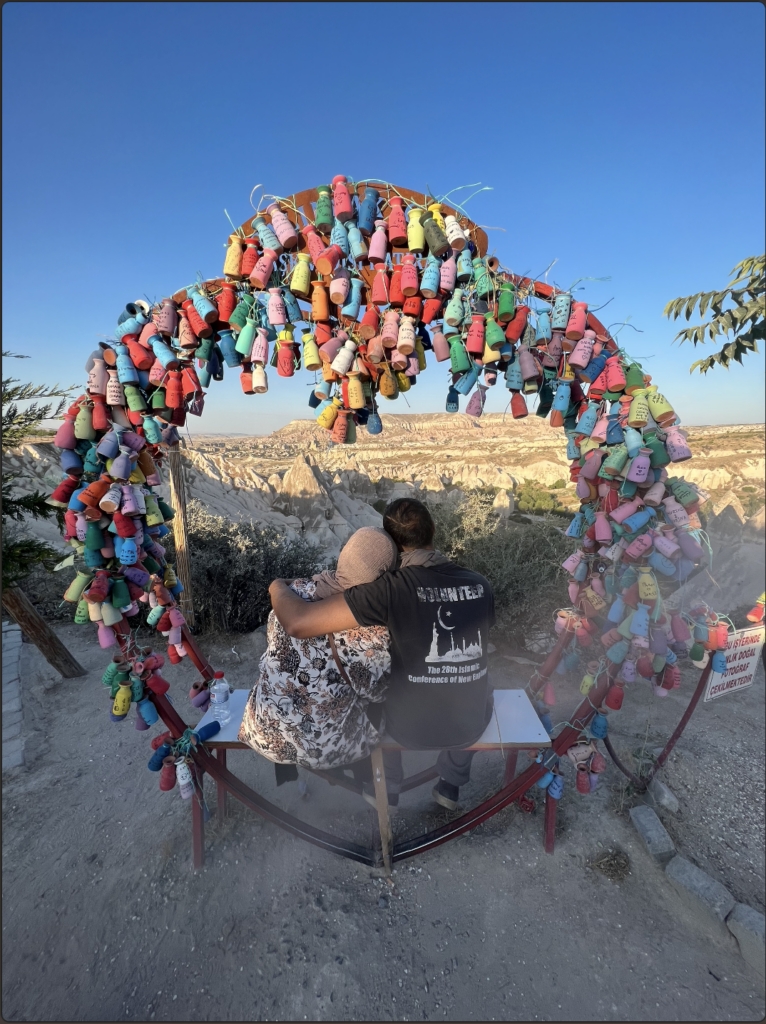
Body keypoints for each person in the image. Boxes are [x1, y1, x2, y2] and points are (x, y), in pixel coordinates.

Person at [269, 498, 495, 810]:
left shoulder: (390, 589)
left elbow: (298, 623)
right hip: (469, 725)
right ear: (433, 530)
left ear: (392, 544)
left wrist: (276, 587)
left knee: (377, 693)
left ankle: (387, 787)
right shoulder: (480, 585)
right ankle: (451, 784)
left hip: (409, 729)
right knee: (478, 679)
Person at [238, 527, 397, 778]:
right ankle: (372, 784)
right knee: (381, 709)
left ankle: (296, 779)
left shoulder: (292, 595)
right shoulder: (370, 628)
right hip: (324, 750)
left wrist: (279, 584)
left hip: (264, 731)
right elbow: (377, 692)